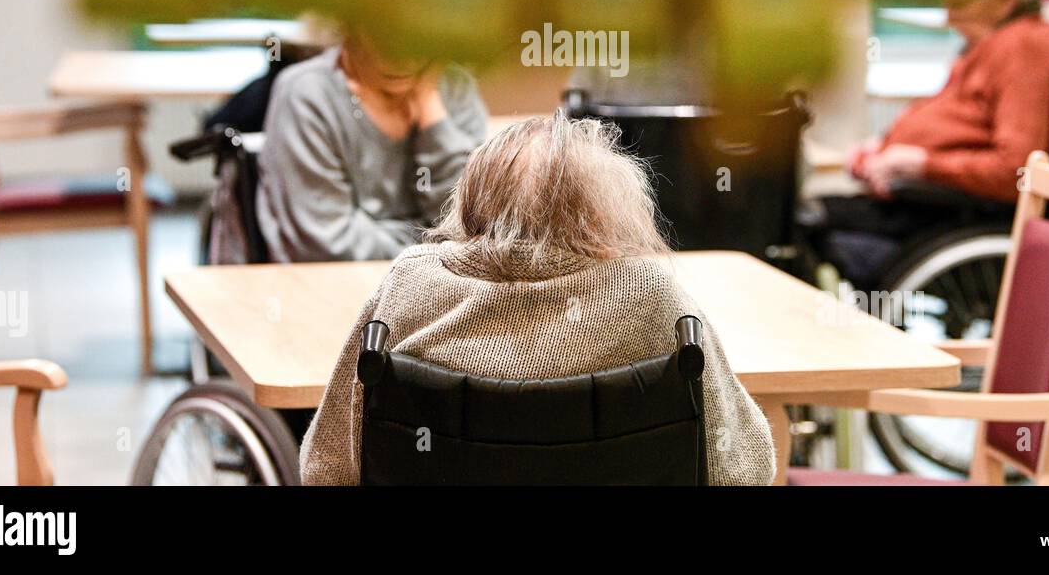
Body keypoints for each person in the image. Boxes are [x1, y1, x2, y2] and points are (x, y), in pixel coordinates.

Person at [300, 113, 777, 485]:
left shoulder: (410, 284)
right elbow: (742, 468)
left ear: (472, 203)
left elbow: (327, 467)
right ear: (607, 215)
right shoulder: (650, 297)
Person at [806, 0, 1049, 288]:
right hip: (930, 201)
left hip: (950, 212)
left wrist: (919, 164)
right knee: (796, 212)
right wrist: (884, 149)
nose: (948, 18)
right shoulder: (995, 43)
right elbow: (953, 124)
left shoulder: (1025, 46)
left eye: (959, 4)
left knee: (798, 221)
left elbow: (1015, 169)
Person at [256, 34, 488, 262]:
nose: (401, 58)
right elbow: (328, 243)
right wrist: (436, 247)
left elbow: (473, 224)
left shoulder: (456, 87)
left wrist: (431, 111)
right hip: (326, 285)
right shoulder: (307, 92)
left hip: (435, 287)